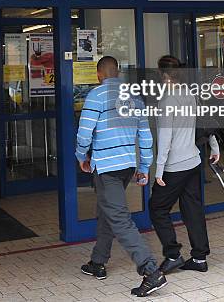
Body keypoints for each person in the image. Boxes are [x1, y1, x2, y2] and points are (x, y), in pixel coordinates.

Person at [75, 56, 167, 297]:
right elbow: (145, 136)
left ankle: (150, 270)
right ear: (117, 74)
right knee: (108, 211)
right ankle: (97, 262)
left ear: (99, 74)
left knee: (119, 218)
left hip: (106, 168)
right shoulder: (135, 97)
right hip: (127, 166)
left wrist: (81, 155)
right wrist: (144, 166)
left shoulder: (96, 95)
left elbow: (85, 131)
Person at [149, 55, 220, 274]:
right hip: (193, 161)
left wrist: (158, 170)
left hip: (176, 166)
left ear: (163, 75)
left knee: (157, 207)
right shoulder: (190, 94)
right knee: (192, 209)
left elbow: (165, 139)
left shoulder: (167, 100)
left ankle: (173, 255)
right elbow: (204, 123)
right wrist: (215, 147)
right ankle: (199, 259)